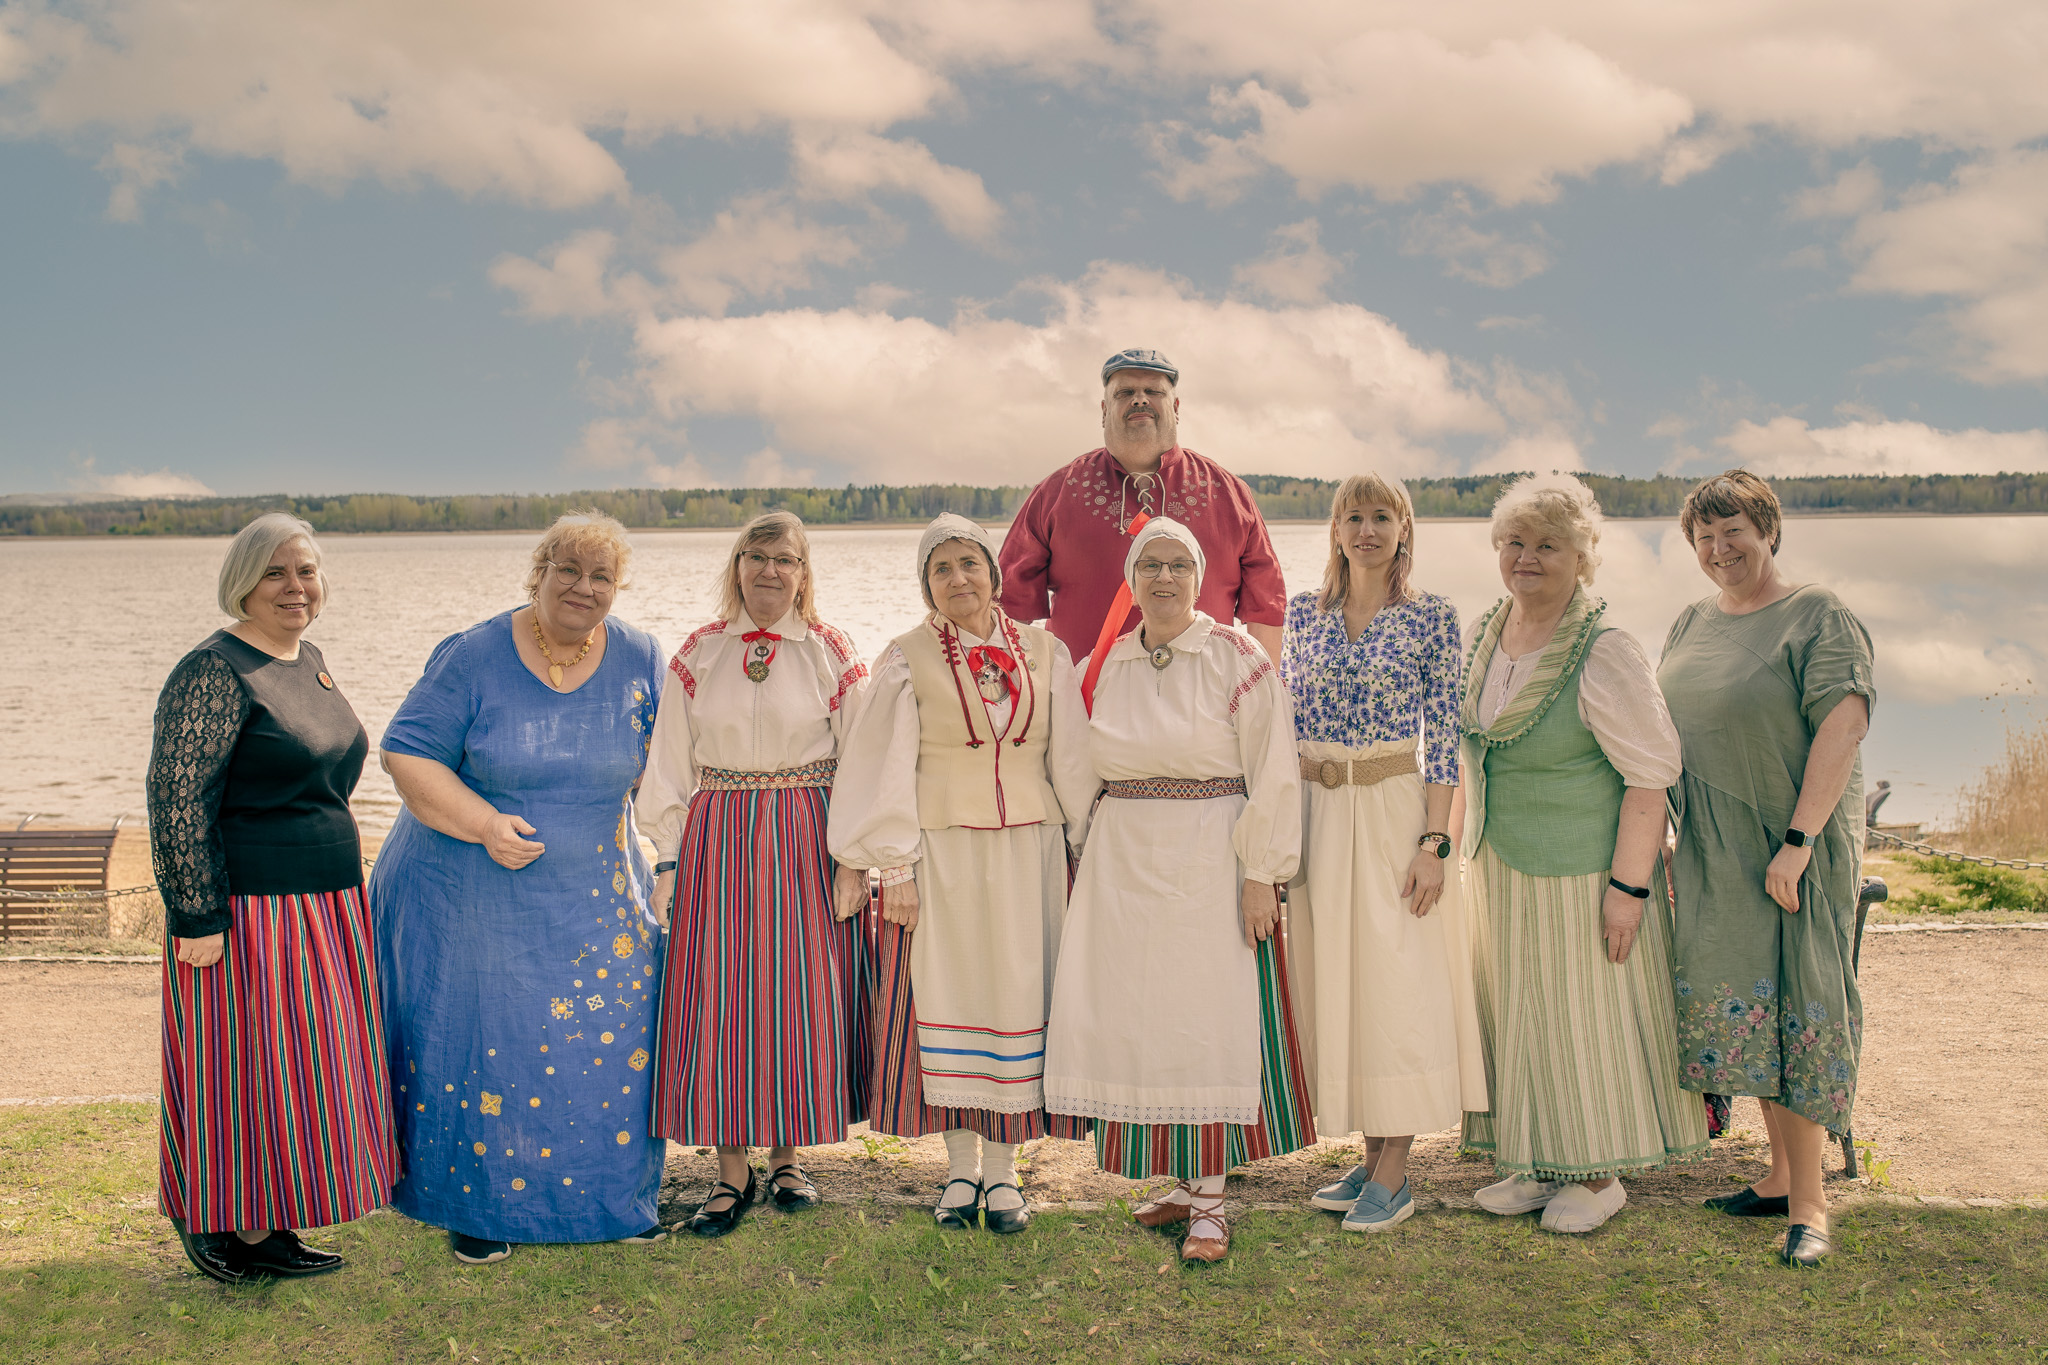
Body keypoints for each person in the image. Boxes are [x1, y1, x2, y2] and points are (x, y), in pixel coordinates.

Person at [370, 512, 667, 1266]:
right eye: (566, 569)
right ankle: (479, 1204)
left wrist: (667, 858)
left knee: (607, 1044)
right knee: (491, 1043)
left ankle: (612, 1199)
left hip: (597, 894)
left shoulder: (640, 655)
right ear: (537, 572)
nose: (583, 587)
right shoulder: (473, 656)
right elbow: (407, 753)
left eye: (601, 576)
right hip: (471, 891)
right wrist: (481, 823)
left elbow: (663, 767)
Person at [1043, 517, 1314, 1263]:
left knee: (1204, 1016)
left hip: (1209, 851)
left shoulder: (1236, 655)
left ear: (1199, 578)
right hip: (1126, 854)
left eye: (1178, 566)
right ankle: (1179, 1180)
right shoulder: (1115, 659)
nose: (1163, 579)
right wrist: (1083, 840)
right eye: (1149, 565)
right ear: (1131, 578)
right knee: (1142, 1015)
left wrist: (1262, 871)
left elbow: (1274, 767)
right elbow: (1076, 757)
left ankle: (1214, 1201)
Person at [829, 513, 1098, 1234]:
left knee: (1017, 994)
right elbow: (882, 767)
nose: (957, 579)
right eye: (941, 568)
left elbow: (1069, 758)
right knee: (948, 994)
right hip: (942, 851)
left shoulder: (1046, 652)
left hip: (1029, 849)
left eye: (968, 564)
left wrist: (1090, 846)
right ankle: (958, 1170)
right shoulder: (906, 657)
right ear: (926, 584)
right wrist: (896, 865)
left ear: (993, 572)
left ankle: (1006, 1176)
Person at [147, 512, 395, 1284]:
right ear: (243, 582)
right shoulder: (213, 670)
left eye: (308, 571)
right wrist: (199, 915)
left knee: (301, 1068)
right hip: (251, 908)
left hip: (325, 902)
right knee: (244, 1067)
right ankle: (231, 1226)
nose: (296, 587)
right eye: (278, 573)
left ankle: (273, 1218)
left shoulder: (307, 656)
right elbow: (177, 796)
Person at [1458, 475, 1706, 1235]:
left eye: (1546, 545)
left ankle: (1598, 1176)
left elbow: (1651, 772)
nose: (1525, 557)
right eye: (1514, 542)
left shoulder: (1604, 649)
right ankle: (1539, 1160)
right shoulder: (1487, 630)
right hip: (1500, 860)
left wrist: (1628, 887)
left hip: (1583, 866)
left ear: (1581, 557)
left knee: (1579, 1014)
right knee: (1522, 1010)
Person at [1658, 470, 1874, 1268]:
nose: (1720, 548)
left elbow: (1843, 727)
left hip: (1790, 849)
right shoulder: (1689, 621)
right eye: (1705, 536)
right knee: (1751, 1011)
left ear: (1769, 530)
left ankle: (1814, 1205)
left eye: (1735, 530)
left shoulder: (1817, 614)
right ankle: (1782, 1175)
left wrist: (1799, 839)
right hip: (1715, 851)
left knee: (1799, 1007)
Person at [638, 511, 871, 1238]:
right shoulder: (700, 652)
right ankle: (730, 1167)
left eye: (786, 560)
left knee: (796, 993)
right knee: (725, 993)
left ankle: (788, 1155)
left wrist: (852, 857)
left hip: (805, 831)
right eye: (758, 556)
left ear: (805, 574)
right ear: (737, 565)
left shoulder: (831, 650)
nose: (770, 571)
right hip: (719, 833)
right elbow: (670, 761)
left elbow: (861, 761)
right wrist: (669, 858)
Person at [1281, 475, 1487, 1232]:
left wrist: (1435, 842)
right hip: (1321, 814)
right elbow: (1282, 720)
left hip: (1399, 808)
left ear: (1405, 528)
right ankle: (1370, 1156)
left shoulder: (1433, 616)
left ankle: (1396, 1170)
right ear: (1335, 528)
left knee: (1400, 981)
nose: (1367, 529)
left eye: (1382, 516)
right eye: (1354, 516)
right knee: (1346, 982)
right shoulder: (1304, 614)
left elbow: (1446, 737)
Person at [998, 348, 1287, 666]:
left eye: (1153, 391)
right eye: (1125, 392)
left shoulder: (1229, 494)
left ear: (1175, 408)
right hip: (1083, 704)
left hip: (1207, 704)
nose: (1139, 399)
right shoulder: (1056, 493)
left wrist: (1264, 695)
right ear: (1104, 410)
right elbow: (1008, 604)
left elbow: (1265, 606)